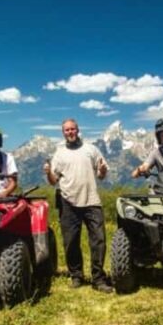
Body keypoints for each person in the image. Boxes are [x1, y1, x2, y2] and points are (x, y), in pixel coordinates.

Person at [43, 118, 113, 293]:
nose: (70, 132)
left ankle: (98, 278)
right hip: (68, 201)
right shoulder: (59, 154)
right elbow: (53, 181)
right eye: (67, 130)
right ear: (63, 133)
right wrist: (48, 173)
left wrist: (102, 170)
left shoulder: (91, 149)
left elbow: (101, 175)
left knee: (99, 241)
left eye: (72, 129)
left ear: (78, 130)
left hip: (92, 200)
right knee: (70, 242)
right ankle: (76, 276)